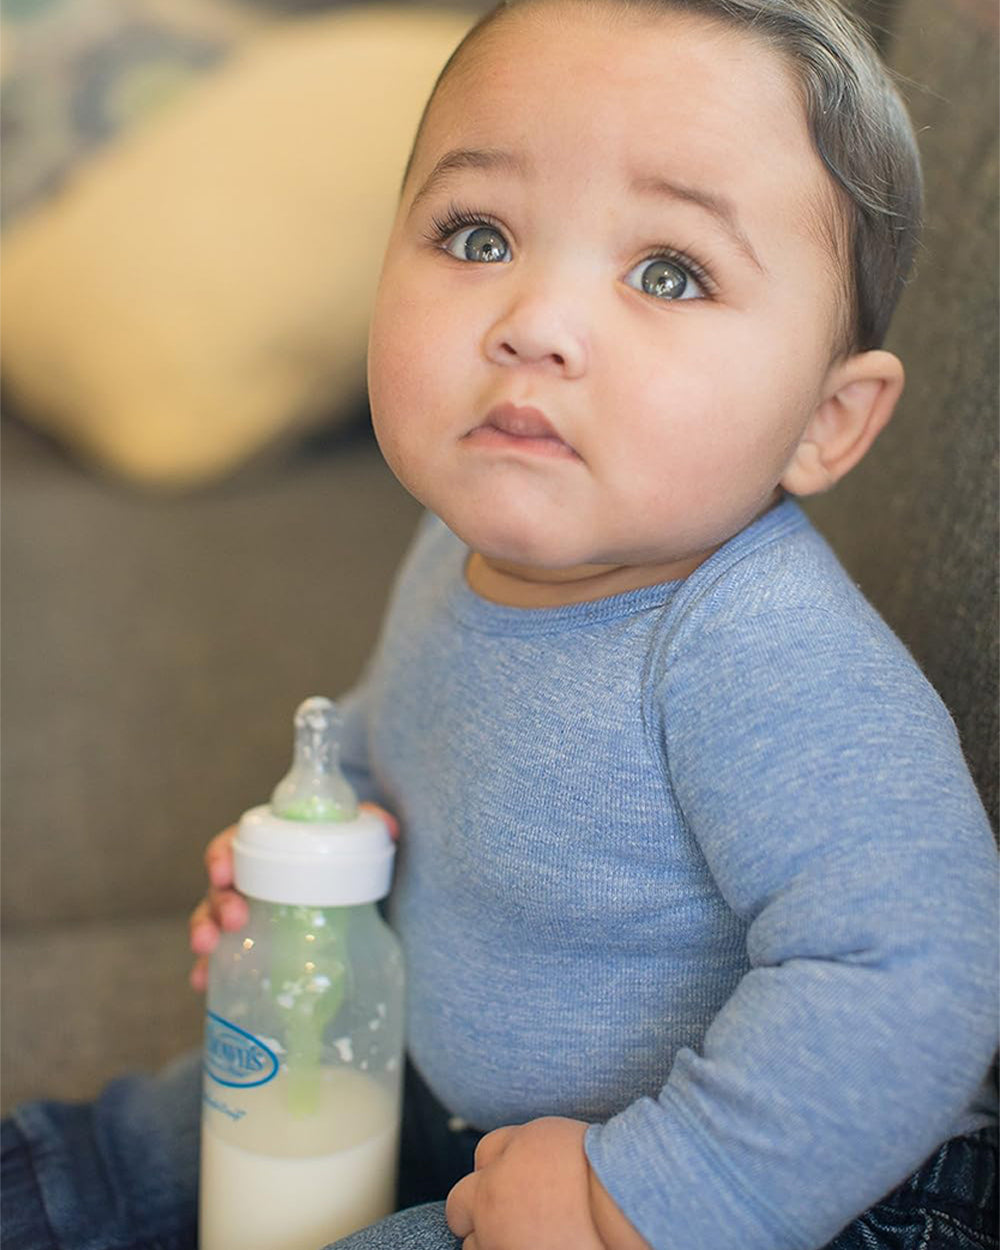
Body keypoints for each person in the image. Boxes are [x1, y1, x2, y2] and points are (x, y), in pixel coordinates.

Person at [4, 1, 997, 1247]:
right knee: (156, 1131)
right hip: (458, 1092)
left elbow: (919, 968)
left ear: (824, 423)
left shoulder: (758, 650)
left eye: (667, 271)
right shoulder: (464, 535)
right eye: (478, 236)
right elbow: (398, 731)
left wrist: (635, 1197)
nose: (535, 319)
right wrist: (314, 841)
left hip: (799, 1176)